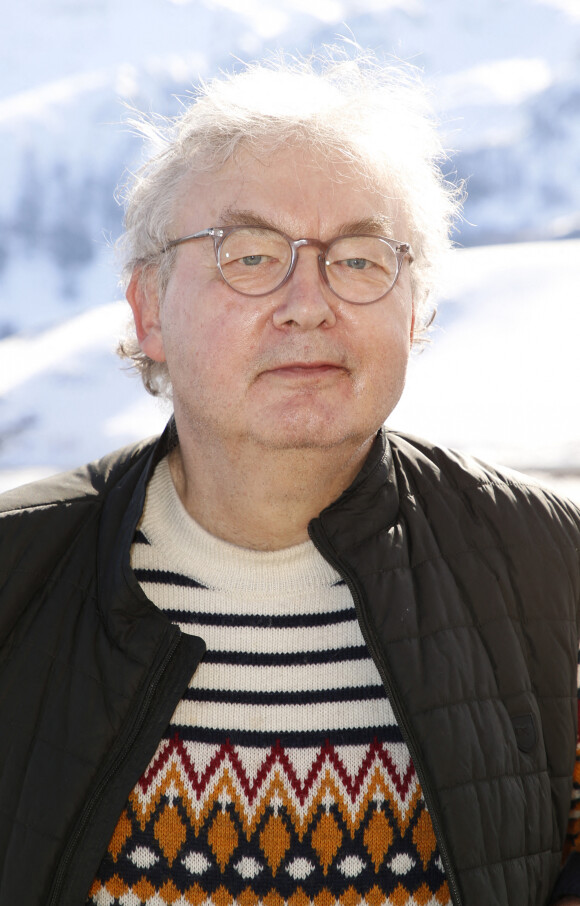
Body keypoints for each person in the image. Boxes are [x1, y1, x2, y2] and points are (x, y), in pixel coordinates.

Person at [0, 48, 579, 906]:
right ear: (148, 310)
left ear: (414, 308)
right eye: (249, 254)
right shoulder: (19, 569)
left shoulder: (549, 562)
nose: (308, 302)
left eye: (358, 258)